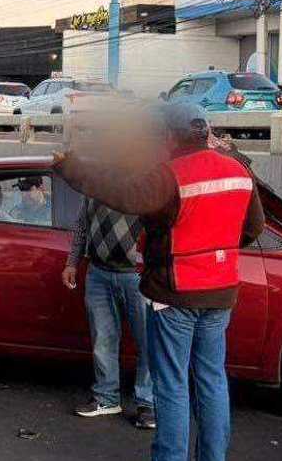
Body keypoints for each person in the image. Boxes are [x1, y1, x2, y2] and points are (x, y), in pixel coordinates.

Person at [54, 102, 264, 461]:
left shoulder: (171, 175)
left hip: (175, 294)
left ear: (169, 136)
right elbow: (253, 228)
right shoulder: (239, 172)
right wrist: (215, 245)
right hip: (221, 293)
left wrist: (70, 169)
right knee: (212, 381)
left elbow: (122, 194)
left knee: (172, 385)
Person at [60, 196, 155, 429]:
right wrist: (72, 263)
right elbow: (83, 224)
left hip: (138, 274)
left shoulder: (145, 181)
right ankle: (107, 398)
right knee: (103, 338)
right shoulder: (94, 184)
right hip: (98, 272)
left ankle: (148, 404)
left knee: (149, 342)